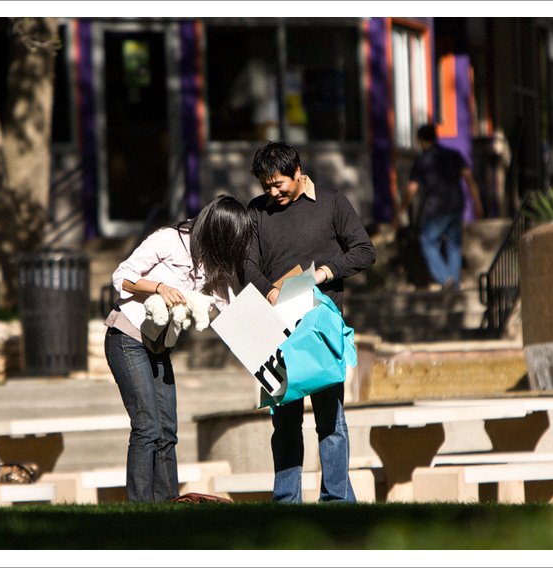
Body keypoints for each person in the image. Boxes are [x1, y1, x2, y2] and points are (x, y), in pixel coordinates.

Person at [243, 140, 376, 503]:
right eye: (265, 186)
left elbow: (365, 251)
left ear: (298, 173)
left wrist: (325, 273)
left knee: (330, 420)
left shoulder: (332, 202)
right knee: (284, 422)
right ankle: (286, 501)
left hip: (321, 326)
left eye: (278, 184)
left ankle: (336, 500)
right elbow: (247, 265)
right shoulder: (257, 211)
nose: (273, 192)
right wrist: (270, 292)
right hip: (276, 328)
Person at [103, 195, 254, 503]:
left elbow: (232, 309)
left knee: (168, 429)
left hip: (160, 347)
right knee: (146, 426)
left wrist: (270, 335)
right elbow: (122, 276)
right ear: (215, 231)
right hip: (127, 336)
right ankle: (141, 508)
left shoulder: (215, 264)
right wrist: (159, 287)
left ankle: (169, 504)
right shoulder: (169, 240)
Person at [396, 124, 484, 290]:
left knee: (427, 241)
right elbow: (469, 178)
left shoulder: (422, 160)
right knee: (454, 246)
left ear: (421, 140)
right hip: (457, 205)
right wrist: (477, 203)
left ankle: (445, 279)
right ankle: (454, 283)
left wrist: (400, 212)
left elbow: (411, 189)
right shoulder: (453, 155)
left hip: (436, 208)